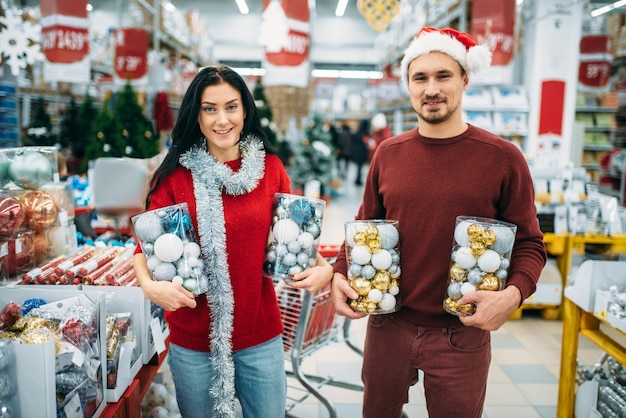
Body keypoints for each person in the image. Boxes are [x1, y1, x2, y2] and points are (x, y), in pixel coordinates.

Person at [330, 27, 547, 418]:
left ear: (465, 79)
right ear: (408, 86)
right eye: (420, 78)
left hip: (461, 332)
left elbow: (530, 244)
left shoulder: (502, 158)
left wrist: (511, 297)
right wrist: (340, 274)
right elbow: (364, 226)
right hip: (387, 325)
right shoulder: (388, 154)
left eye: (443, 76)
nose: (431, 88)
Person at [133, 65, 333, 418]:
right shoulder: (174, 176)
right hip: (193, 339)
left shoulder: (271, 169)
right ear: (196, 115)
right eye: (209, 108)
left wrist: (325, 271)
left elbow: (297, 238)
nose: (221, 119)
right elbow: (143, 250)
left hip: (260, 335)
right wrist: (150, 287)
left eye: (231, 106)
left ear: (245, 111)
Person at [351, 119, 371, 186]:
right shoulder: (365, 133)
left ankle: (357, 179)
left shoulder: (357, 133)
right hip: (362, 152)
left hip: (356, 152)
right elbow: (367, 143)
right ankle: (358, 179)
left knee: (358, 167)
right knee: (360, 166)